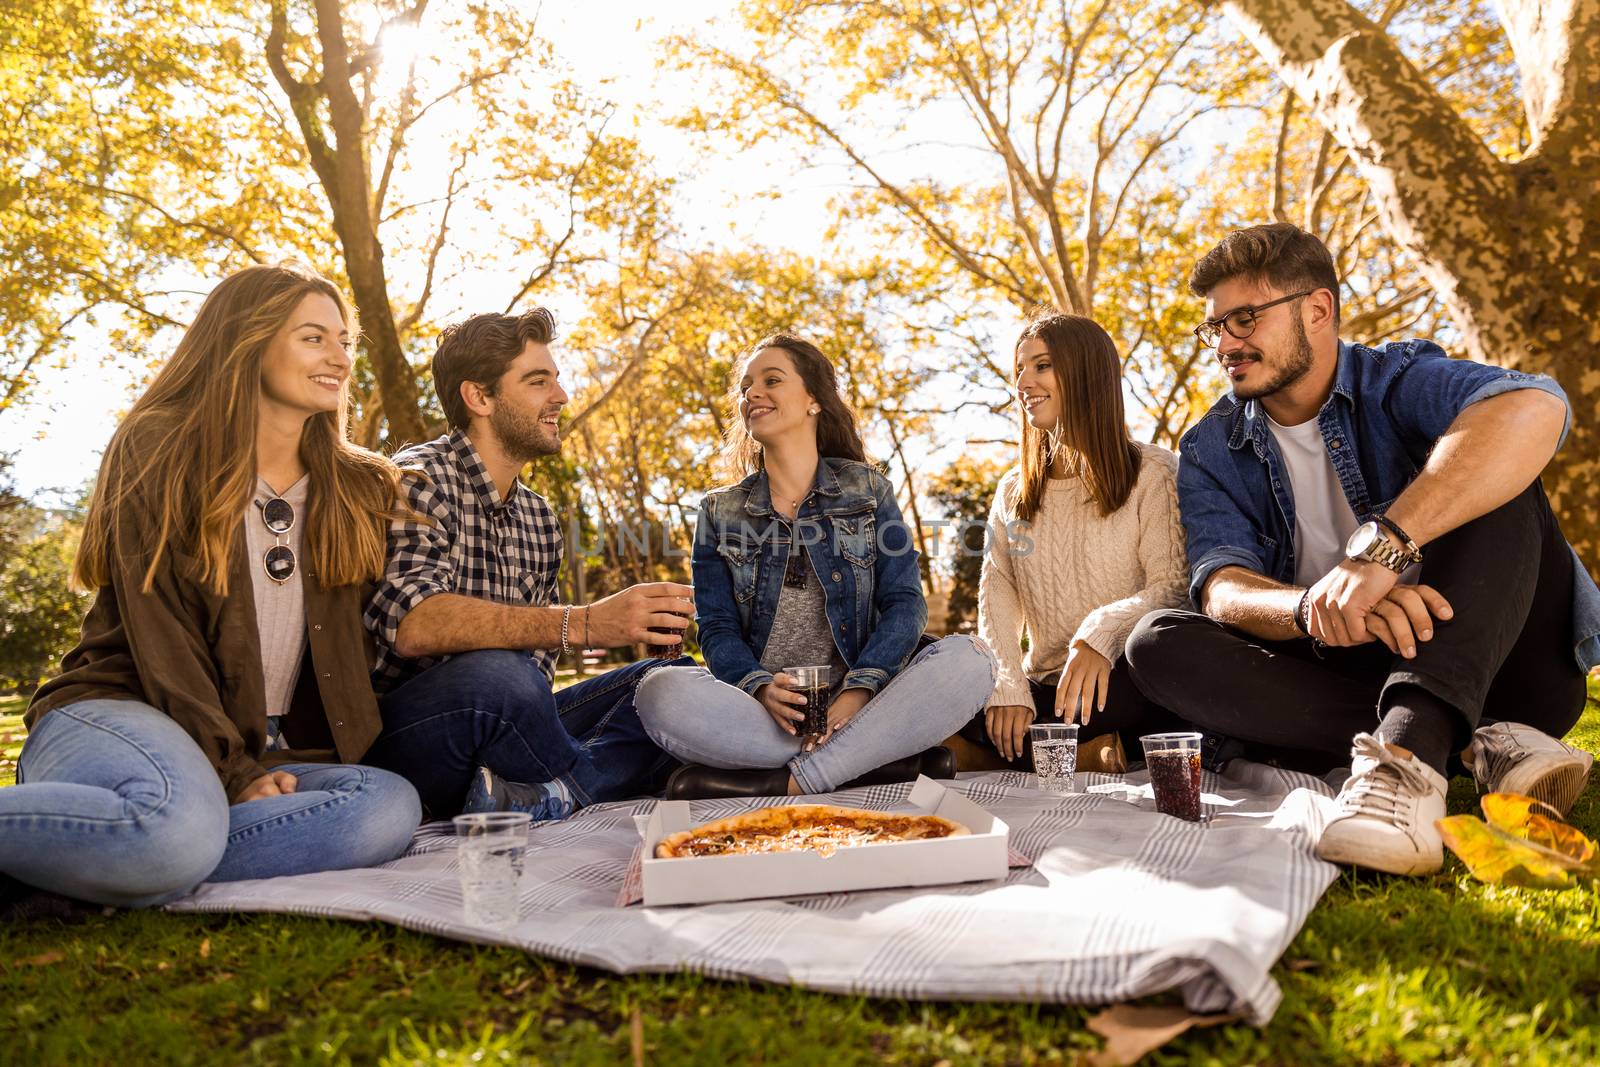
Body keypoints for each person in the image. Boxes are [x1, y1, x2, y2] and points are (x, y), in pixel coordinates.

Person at [1124, 222, 1599, 876]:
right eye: (1215, 329)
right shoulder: (1211, 446)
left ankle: (1410, 756)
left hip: (1512, 663)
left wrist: (1384, 551)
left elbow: (1532, 408)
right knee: (1156, 640)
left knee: (1488, 466)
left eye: (1243, 320)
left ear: (1316, 310)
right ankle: (1470, 741)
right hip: (1357, 668)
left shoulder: (1395, 376)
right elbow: (1220, 584)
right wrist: (1314, 607)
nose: (1225, 345)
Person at [0, 264, 422, 909]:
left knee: (385, 805)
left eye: (345, 341)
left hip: (248, 745)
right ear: (246, 341)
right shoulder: (159, 445)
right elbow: (161, 634)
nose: (339, 357)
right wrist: (232, 773)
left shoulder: (355, 485)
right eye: (314, 338)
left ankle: (99, 867)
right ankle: (153, 848)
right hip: (121, 712)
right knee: (174, 828)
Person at [362, 308, 691, 821]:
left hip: (511, 718)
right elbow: (412, 622)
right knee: (499, 676)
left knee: (670, 683)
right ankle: (585, 780)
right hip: (416, 737)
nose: (560, 397)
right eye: (539, 381)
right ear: (480, 397)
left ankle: (542, 793)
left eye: (556, 380)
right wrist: (585, 622)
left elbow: (538, 682)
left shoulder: (538, 516)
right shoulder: (417, 480)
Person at [635, 333, 996, 798]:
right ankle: (868, 762)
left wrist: (859, 692)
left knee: (971, 659)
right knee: (658, 691)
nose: (752, 394)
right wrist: (761, 689)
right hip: (766, 716)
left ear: (813, 401)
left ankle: (791, 779)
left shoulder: (868, 491)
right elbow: (718, 628)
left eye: (771, 380)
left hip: (863, 704)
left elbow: (905, 606)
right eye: (746, 387)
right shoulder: (719, 511)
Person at [962, 313, 1189, 770]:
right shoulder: (1013, 489)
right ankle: (1080, 751)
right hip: (1042, 688)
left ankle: (1003, 754)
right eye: (1020, 369)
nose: (1024, 381)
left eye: (1042, 366)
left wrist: (1100, 634)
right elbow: (998, 593)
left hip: (1114, 684)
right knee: (936, 659)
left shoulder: (1154, 472)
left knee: (1163, 655)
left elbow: (1173, 589)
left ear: (1086, 372)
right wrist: (1007, 683)